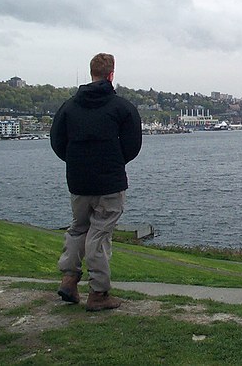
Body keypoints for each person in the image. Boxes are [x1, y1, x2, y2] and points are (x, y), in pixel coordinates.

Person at [50, 53, 142, 311]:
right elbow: (132, 146)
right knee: (99, 234)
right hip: (109, 182)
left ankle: (69, 278)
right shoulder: (122, 108)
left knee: (78, 228)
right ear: (111, 75)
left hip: (78, 180)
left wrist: (77, 162)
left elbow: (58, 143)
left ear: (91, 74)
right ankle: (98, 293)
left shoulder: (68, 107)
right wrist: (113, 162)